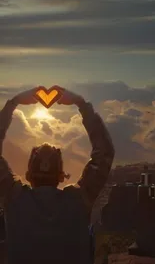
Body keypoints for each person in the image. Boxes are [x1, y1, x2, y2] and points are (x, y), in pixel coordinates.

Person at [0, 86, 115, 264]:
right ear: (62, 175)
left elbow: (105, 152)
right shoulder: (80, 200)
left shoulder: (14, 198)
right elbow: (105, 152)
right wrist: (81, 104)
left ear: (28, 174)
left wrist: (12, 104)